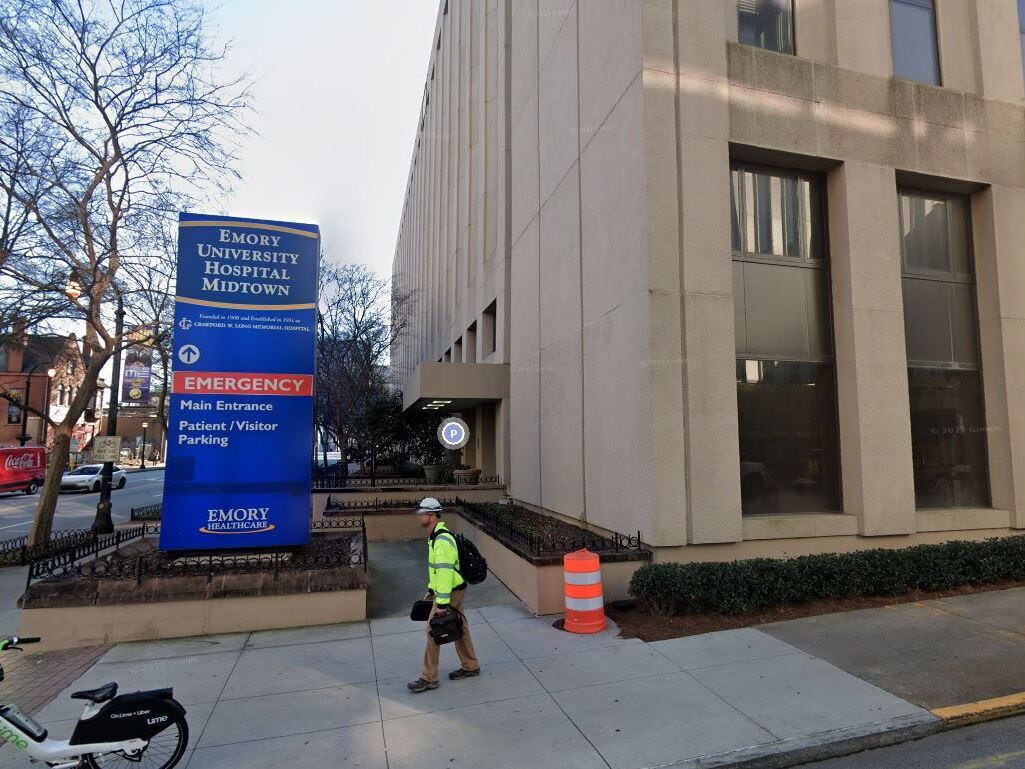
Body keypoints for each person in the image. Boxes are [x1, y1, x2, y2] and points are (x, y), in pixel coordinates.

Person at [407, 497, 480, 693]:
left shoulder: (442, 541)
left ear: (431, 516)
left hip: (450, 591)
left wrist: (442, 604)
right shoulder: (435, 537)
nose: (419, 517)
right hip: (452, 589)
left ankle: (428, 677)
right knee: (460, 626)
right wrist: (431, 589)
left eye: (422, 513)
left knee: (433, 629)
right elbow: (437, 570)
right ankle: (471, 665)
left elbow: (446, 572)